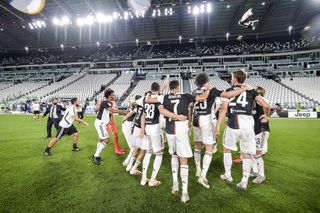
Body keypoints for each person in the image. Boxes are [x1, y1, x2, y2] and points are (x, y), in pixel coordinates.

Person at [146, 80, 211, 203]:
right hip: (181, 127)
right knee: (183, 159)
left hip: (170, 129)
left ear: (170, 88)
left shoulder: (164, 97)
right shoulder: (186, 96)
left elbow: (149, 100)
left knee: (174, 155)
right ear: (178, 87)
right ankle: (185, 192)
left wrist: (157, 92)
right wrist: (208, 88)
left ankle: (175, 182)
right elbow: (203, 97)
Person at [190, 73, 252, 189]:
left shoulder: (194, 91)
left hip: (195, 119)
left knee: (197, 146)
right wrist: (243, 89)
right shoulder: (212, 90)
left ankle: (198, 169)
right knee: (209, 148)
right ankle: (203, 176)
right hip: (206, 120)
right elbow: (227, 95)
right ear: (207, 80)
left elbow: (191, 105)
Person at [215, 70, 270, 190]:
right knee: (247, 153)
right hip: (248, 124)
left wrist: (218, 125)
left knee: (227, 148)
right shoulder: (252, 90)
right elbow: (266, 105)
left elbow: (223, 110)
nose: (230, 79)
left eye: (231, 77)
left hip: (234, 123)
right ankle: (244, 181)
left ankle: (228, 174)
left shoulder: (229, 91)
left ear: (234, 79)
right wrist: (267, 116)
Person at [92, 89, 128, 165]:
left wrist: (111, 123)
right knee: (106, 139)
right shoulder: (105, 102)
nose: (114, 96)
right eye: (113, 95)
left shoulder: (109, 102)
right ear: (109, 96)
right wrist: (124, 112)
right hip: (100, 123)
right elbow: (113, 111)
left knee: (101, 139)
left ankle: (96, 155)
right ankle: (96, 156)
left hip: (102, 123)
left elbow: (110, 114)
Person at [251, 86, 270, 184]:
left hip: (262, 130)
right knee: (253, 152)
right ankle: (255, 171)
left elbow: (267, 106)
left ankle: (261, 175)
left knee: (258, 153)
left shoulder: (262, 100)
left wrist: (267, 116)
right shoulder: (255, 101)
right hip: (256, 129)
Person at [122, 95, 141, 168]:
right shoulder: (137, 106)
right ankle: (127, 162)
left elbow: (128, 112)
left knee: (133, 147)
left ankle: (129, 161)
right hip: (129, 126)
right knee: (134, 147)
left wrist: (124, 119)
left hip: (127, 125)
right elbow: (131, 112)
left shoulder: (133, 105)